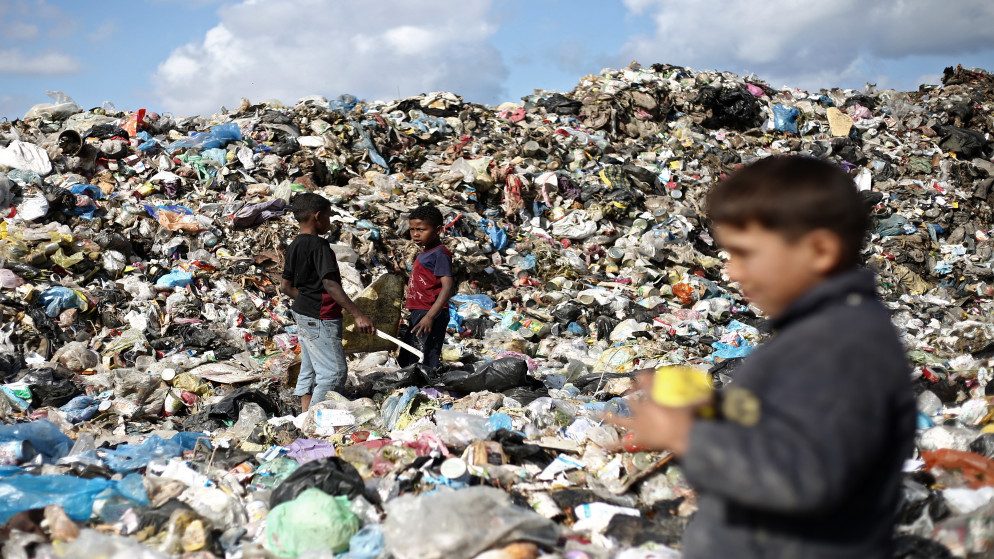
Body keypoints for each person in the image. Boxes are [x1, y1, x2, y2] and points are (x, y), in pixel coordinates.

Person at [609, 156, 916, 558]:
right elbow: (792, 423)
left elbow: (809, 477)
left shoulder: (842, 347)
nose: (733, 271)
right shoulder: (821, 333)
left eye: (745, 253)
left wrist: (685, 436)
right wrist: (711, 411)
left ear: (819, 250)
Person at [281, 193, 374, 411]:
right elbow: (331, 285)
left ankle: (304, 413)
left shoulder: (294, 244)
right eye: (329, 217)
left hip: (303, 313)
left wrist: (306, 302)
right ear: (317, 216)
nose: (329, 223)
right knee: (334, 373)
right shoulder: (320, 247)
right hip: (321, 317)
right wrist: (358, 314)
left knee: (311, 367)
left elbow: (285, 286)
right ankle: (313, 422)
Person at [398, 204, 454, 370]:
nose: (415, 234)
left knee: (423, 358)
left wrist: (430, 316)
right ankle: (410, 386)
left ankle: (423, 389)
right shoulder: (426, 253)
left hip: (430, 313)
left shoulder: (440, 253)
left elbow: (448, 287)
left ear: (437, 230)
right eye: (412, 229)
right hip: (420, 311)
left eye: (421, 229)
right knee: (409, 355)